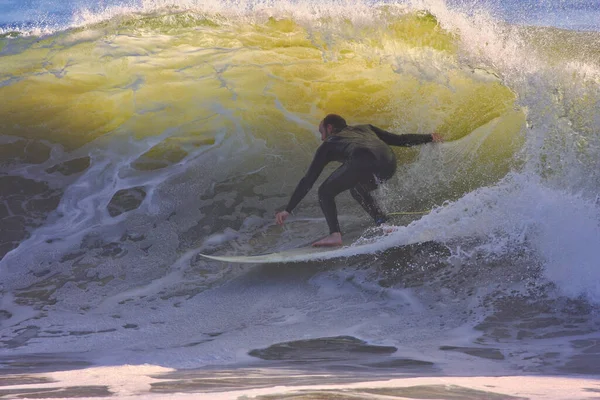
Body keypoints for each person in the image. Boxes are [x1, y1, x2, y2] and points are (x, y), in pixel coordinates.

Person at [275, 114, 443, 247]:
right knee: (357, 189)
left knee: (324, 192)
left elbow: (308, 180)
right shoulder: (366, 128)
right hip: (388, 162)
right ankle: (384, 224)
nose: (321, 138)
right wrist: (429, 137)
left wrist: (288, 209)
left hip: (362, 160)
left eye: (321, 132)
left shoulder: (328, 144)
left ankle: (335, 235)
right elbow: (400, 140)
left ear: (330, 127)